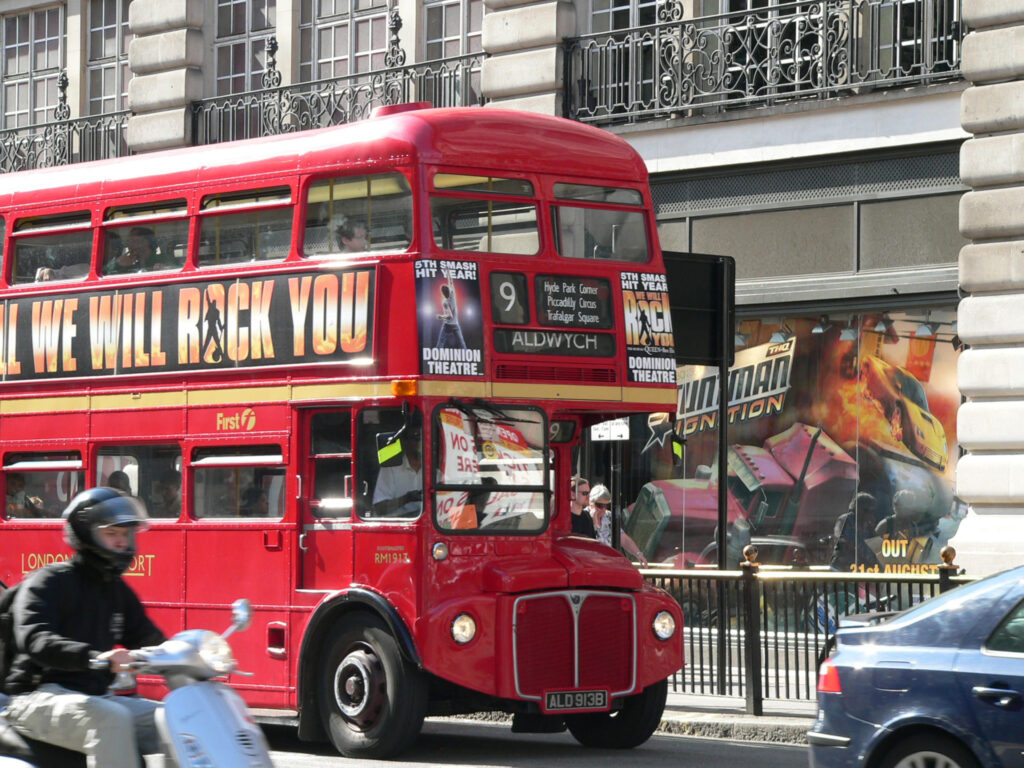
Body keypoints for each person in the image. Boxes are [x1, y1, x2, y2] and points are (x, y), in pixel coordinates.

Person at [2, 487, 166, 767]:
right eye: (111, 533)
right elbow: (37, 640)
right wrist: (94, 658)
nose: (121, 542)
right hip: (36, 697)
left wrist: (188, 655)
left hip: (94, 697)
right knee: (112, 719)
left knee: (172, 718)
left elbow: (148, 638)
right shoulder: (49, 581)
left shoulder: (115, 590)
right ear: (86, 534)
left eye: (125, 535)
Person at [587, 484, 648, 566]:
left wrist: (638, 554)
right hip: (592, 565)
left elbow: (623, 538)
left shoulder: (609, 516)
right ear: (591, 503)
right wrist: (594, 520)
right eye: (600, 505)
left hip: (610, 564)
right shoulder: (584, 517)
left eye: (606, 505)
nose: (604, 509)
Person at [372, 426, 423, 517]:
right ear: (406, 442)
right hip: (397, 525)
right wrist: (406, 498)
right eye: (416, 437)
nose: (420, 442)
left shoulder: (436, 471)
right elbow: (379, 508)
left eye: (424, 437)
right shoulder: (391, 467)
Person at [831, 491, 880, 571]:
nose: (868, 514)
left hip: (865, 568)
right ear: (857, 507)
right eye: (866, 510)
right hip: (845, 566)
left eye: (871, 511)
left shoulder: (868, 525)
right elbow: (841, 540)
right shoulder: (845, 520)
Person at [436, 273, 467, 349]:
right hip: (455, 324)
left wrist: (441, 317)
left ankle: (437, 359)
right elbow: (450, 281)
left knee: (441, 343)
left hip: (447, 325)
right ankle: (467, 358)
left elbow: (450, 316)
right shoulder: (453, 294)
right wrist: (448, 271)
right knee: (462, 343)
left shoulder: (445, 302)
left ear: (443, 293)